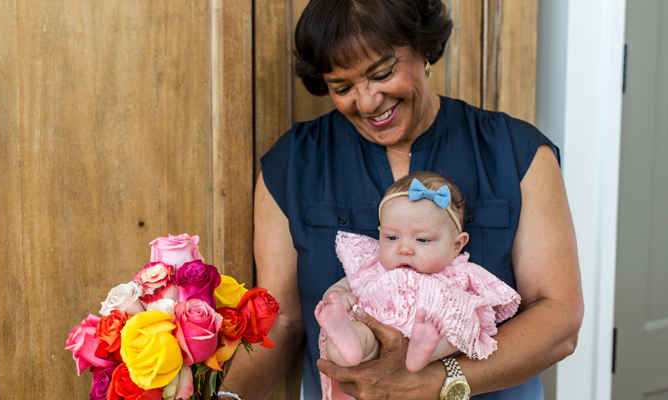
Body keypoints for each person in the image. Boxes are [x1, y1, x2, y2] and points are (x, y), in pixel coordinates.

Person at [219, 0, 583, 399]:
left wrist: (433, 381)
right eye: (342, 88)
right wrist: (228, 396)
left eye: (383, 73)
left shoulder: (517, 152)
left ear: (423, 48)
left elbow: (559, 319)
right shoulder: (293, 162)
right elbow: (284, 321)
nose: (368, 101)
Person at [315, 172, 522, 400]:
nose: (404, 249)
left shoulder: (459, 273)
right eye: (392, 238)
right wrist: (336, 295)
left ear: (457, 245)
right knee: (348, 342)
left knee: (457, 329)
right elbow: (345, 284)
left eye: (422, 240)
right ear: (380, 234)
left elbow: (483, 308)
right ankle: (349, 342)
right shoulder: (372, 264)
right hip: (374, 335)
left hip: (431, 327)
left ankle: (422, 351)